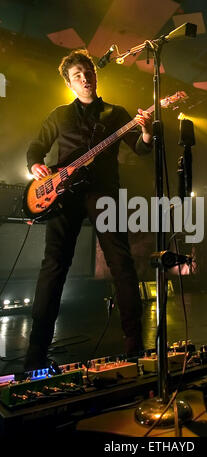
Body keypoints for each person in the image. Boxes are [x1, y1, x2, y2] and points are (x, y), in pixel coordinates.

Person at [24, 49, 153, 371]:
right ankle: (35, 352)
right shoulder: (59, 115)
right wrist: (36, 166)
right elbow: (35, 148)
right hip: (63, 192)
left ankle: (134, 345)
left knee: (121, 263)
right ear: (69, 83)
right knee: (54, 266)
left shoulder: (115, 112)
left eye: (88, 72)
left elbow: (140, 148)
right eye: (77, 75)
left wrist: (147, 131)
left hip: (103, 192)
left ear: (96, 75)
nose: (85, 79)